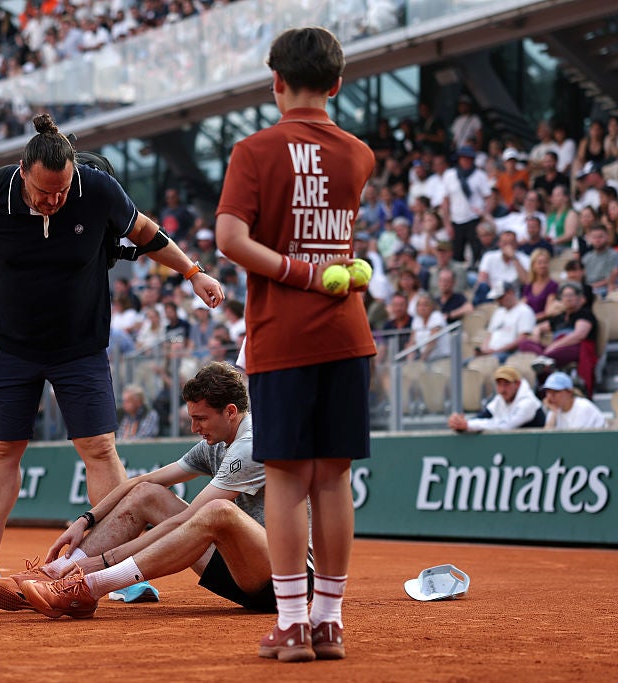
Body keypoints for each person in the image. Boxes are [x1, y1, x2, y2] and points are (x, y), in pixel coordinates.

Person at [0, 113, 224, 604]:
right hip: (11, 343)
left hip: (79, 346)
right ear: (22, 170)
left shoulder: (96, 190)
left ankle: (124, 569)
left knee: (99, 447)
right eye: (43, 191)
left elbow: (145, 232)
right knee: (3, 449)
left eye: (62, 189)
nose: (53, 199)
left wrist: (193, 272)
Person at [215, 27, 375, 663]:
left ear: (274, 81)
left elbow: (231, 239)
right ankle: (330, 620)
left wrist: (296, 271)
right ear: (336, 85)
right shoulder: (359, 153)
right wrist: (323, 267)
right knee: (334, 479)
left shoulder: (254, 150)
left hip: (283, 334)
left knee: (285, 480)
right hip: (347, 330)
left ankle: (291, 623)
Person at [0, 362, 311, 616]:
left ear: (231, 411)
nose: (195, 428)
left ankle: (86, 586)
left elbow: (186, 521)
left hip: (283, 580)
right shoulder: (218, 440)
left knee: (216, 512)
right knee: (148, 493)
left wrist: (100, 563)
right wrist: (85, 520)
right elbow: (140, 483)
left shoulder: (252, 444)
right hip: (238, 567)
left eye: (201, 419)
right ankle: (56, 574)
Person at [447, 366, 545, 432]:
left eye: (506, 384)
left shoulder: (528, 402)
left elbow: (506, 426)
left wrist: (469, 425)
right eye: (499, 384)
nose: (502, 390)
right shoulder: (500, 399)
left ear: (517, 384)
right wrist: (460, 422)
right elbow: (483, 416)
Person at [443, 145, 492, 265]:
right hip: (456, 220)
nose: (466, 161)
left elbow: (489, 198)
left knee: (477, 251)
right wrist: (447, 224)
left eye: (468, 158)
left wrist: (484, 215)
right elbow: (445, 201)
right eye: (463, 158)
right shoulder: (449, 175)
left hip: (474, 219)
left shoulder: (480, 175)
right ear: (459, 159)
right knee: (457, 253)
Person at [476, 281, 536, 363]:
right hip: (492, 353)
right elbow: (489, 335)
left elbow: (522, 339)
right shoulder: (498, 312)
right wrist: (483, 350)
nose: (498, 301)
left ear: (510, 293)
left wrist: (495, 351)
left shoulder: (524, 311)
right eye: (497, 298)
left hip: (509, 354)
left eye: (500, 297)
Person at [541, 371, 607, 429]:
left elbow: (573, 439)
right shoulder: (554, 410)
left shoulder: (583, 406)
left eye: (556, 391)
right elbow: (546, 438)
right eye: (548, 391)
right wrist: (554, 412)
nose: (550, 396)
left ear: (569, 392)